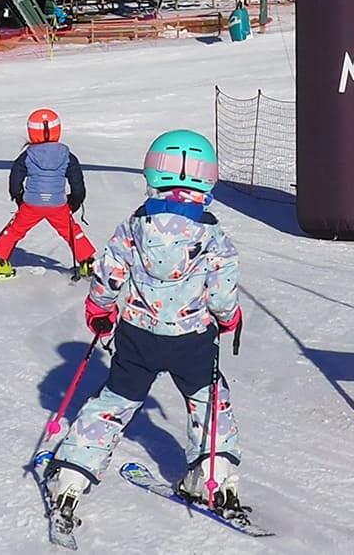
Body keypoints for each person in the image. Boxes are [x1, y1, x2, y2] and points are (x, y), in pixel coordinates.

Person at [44, 129, 243, 523]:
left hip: (139, 337)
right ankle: (215, 477)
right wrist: (227, 318)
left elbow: (108, 275)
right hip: (193, 339)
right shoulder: (213, 236)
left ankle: (70, 479)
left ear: (153, 172)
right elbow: (222, 291)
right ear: (208, 178)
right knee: (208, 400)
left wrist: (100, 311)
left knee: (115, 402)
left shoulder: (133, 227)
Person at [0, 108, 96, 279]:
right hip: (58, 204)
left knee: (14, 230)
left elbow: (15, 177)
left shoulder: (27, 155)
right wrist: (75, 201)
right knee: (72, 231)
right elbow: (77, 183)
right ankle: (87, 263)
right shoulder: (67, 156)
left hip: (31, 203)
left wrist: (18, 196)